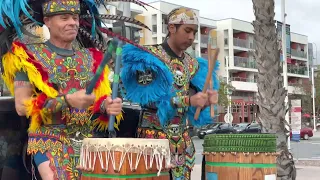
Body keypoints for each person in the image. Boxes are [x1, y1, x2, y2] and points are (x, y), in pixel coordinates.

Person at [0, 0, 151, 179]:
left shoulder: (92, 58)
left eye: (75, 17)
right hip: (49, 141)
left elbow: (98, 100)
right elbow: (22, 106)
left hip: (89, 143)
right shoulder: (27, 56)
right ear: (47, 21)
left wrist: (107, 106)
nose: (72, 22)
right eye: (64, 18)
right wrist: (67, 100)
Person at [121, 7, 220, 180]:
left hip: (182, 144)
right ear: (171, 28)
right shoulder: (149, 57)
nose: (191, 37)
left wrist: (205, 102)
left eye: (194, 32)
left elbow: (193, 105)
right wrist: (189, 100)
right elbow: (148, 99)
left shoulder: (192, 64)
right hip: (153, 141)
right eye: (187, 31)